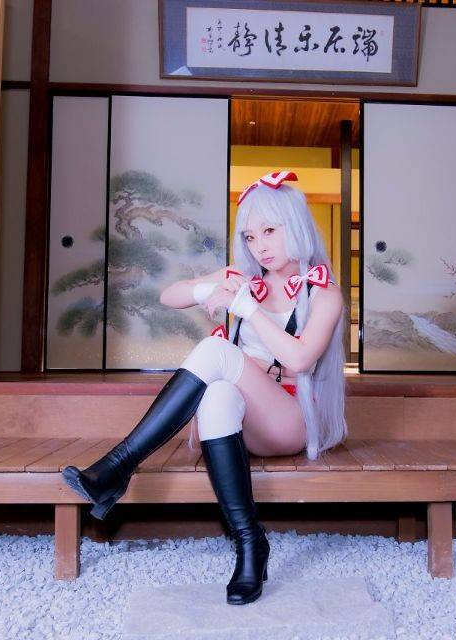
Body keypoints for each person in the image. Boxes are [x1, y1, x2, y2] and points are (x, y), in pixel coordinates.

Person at [61, 170, 349, 605]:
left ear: (295, 226)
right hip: (242, 423)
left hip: (289, 420)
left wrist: (247, 309)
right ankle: (250, 543)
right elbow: (169, 297)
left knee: (216, 352)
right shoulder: (244, 276)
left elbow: (299, 360)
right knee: (215, 395)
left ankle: (118, 466)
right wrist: (212, 287)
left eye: (270, 231)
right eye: (250, 236)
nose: (260, 246)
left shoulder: (323, 293)